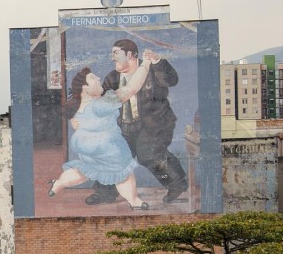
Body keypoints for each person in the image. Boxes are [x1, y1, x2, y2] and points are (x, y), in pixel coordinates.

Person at [48, 65, 151, 210]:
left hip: (86, 148)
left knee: (85, 170)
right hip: (108, 148)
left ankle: (59, 183)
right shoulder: (101, 104)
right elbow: (131, 88)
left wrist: (73, 122)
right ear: (85, 88)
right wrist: (145, 65)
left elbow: (73, 117)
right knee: (123, 173)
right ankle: (134, 200)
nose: (98, 79)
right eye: (92, 78)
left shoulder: (77, 107)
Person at [102, 39, 188, 204]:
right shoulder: (113, 77)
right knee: (113, 155)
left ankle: (177, 184)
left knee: (148, 154)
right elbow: (102, 98)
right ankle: (104, 192)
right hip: (125, 126)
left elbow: (172, 80)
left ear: (130, 55)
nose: (112, 57)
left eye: (115, 53)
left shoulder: (152, 69)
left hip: (155, 123)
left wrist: (157, 61)